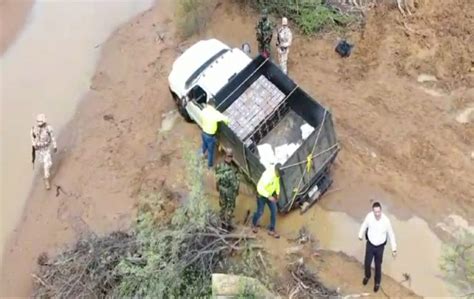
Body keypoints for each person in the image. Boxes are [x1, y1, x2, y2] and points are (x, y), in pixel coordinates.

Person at [358, 202, 397, 293]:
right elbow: (364, 225)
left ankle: (377, 283)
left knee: (378, 265)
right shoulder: (369, 217)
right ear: (373, 211)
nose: (377, 214)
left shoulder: (386, 221)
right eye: (375, 212)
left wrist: (394, 249)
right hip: (370, 244)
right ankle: (367, 276)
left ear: (381, 211)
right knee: (367, 263)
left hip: (380, 247)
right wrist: (360, 234)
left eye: (378, 212)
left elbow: (391, 234)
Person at [251, 163, 281, 238]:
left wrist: (277, 193)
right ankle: (254, 224)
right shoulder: (268, 176)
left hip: (269, 195)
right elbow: (260, 187)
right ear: (276, 171)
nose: (279, 175)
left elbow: (277, 183)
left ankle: (272, 229)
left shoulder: (277, 175)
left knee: (274, 211)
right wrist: (268, 196)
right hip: (261, 194)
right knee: (260, 211)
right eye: (279, 174)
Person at [215, 148, 240, 231]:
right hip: (229, 191)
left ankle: (221, 220)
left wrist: (218, 187)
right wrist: (238, 178)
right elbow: (235, 185)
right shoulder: (230, 173)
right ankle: (227, 224)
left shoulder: (219, 166)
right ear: (231, 157)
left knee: (223, 206)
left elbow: (217, 178)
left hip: (221, 189)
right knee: (230, 207)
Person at [31, 114, 57, 190]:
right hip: (39, 150)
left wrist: (55, 145)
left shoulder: (49, 128)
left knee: (47, 164)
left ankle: (46, 179)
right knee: (44, 162)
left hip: (46, 148)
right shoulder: (34, 129)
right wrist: (34, 145)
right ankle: (46, 174)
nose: (40, 125)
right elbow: (32, 138)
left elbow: (52, 137)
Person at [201, 103, 229, 168]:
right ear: (213, 106)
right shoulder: (215, 114)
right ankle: (209, 165)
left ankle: (202, 154)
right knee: (211, 151)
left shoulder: (204, 111)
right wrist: (226, 123)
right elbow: (225, 119)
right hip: (210, 136)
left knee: (204, 144)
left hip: (203, 133)